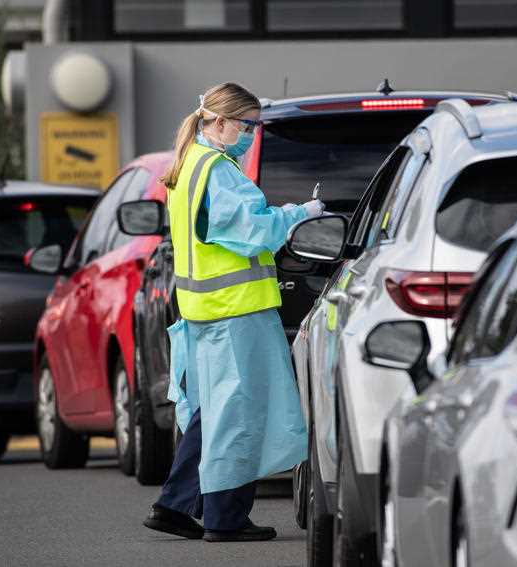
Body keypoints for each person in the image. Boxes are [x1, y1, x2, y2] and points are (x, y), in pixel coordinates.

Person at [143, 82, 324, 542]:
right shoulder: (217, 171)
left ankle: (176, 504)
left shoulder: (189, 165)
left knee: (215, 411)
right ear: (218, 122)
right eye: (246, 125)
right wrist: (301, 213)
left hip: (206, 312)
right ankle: (223, 517)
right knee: (235, 414)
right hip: (235, 312)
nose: (250, 135)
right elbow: (253, 232)